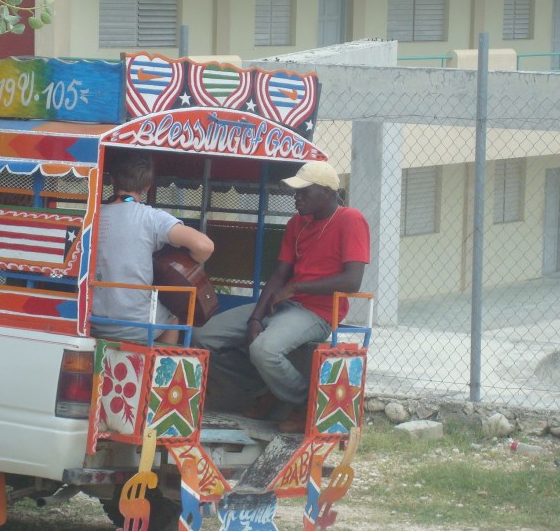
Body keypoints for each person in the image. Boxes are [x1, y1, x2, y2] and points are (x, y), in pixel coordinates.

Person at [192, 160, 370, 432]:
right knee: (202, 337)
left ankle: (306, 402)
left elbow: (352, 281)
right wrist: (256, 317)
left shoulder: (351, 219)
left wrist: (297, 288)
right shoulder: (297, 223)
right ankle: (266, 389)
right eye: (296, 192)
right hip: (285, 304)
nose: (296, 197)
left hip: (318, 312)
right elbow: (279, 275)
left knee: (264, 350)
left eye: (304, 192)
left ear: (326, 192)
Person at [91, 148, 214, 344]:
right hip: (138, 327)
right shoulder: (151, 218)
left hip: (93, 322)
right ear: (148, 186)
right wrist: (189, 262)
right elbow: (204, 246)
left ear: (112, 180)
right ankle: (160, 361)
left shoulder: (92, 217)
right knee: (173, 314)